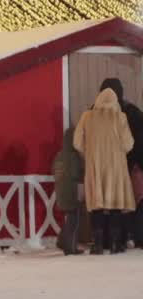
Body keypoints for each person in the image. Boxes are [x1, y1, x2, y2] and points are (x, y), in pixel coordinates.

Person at [73, 88, 135, 255]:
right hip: (116, 168)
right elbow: (129, 144)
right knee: (115, 206)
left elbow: (77, 142)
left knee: (97, 208)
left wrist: (90, 150)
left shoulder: (87, 117)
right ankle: (115, 244)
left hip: (96, 166)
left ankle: (98, 244)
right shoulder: (120, 117)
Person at [99, 79, 143, 249]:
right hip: (131, 166)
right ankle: (134, 237)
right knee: (135, 205)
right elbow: (138, 141)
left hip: (104, 168)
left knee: (107, 204)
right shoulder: (132, 112)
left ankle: (108, 240)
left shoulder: (92, 113)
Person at [52, 128, 84, 255]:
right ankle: (70, 247)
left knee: (69, 219)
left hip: (60, 191)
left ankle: (62, 240)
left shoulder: (59, 155)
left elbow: (52, 170)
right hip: (71, 192)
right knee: (74, 221)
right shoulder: (73, 156)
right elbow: (76, 173)